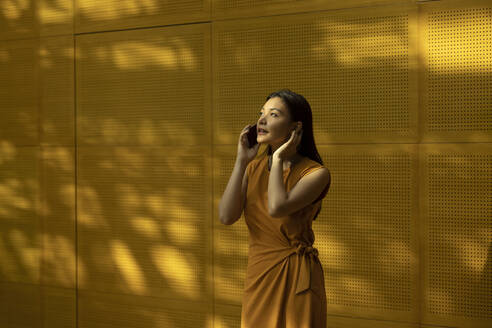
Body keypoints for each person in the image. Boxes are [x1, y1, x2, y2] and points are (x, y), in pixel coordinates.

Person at [218, 89, 331, 328]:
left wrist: (278, 158)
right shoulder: (253, 168)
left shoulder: (316, 173)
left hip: (297, 277)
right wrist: (241, 162)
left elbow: (277, 207)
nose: (262, 120)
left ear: (295, 127)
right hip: (259, 273)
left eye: (274, 114)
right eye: (262, 113)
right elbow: (226, 216)